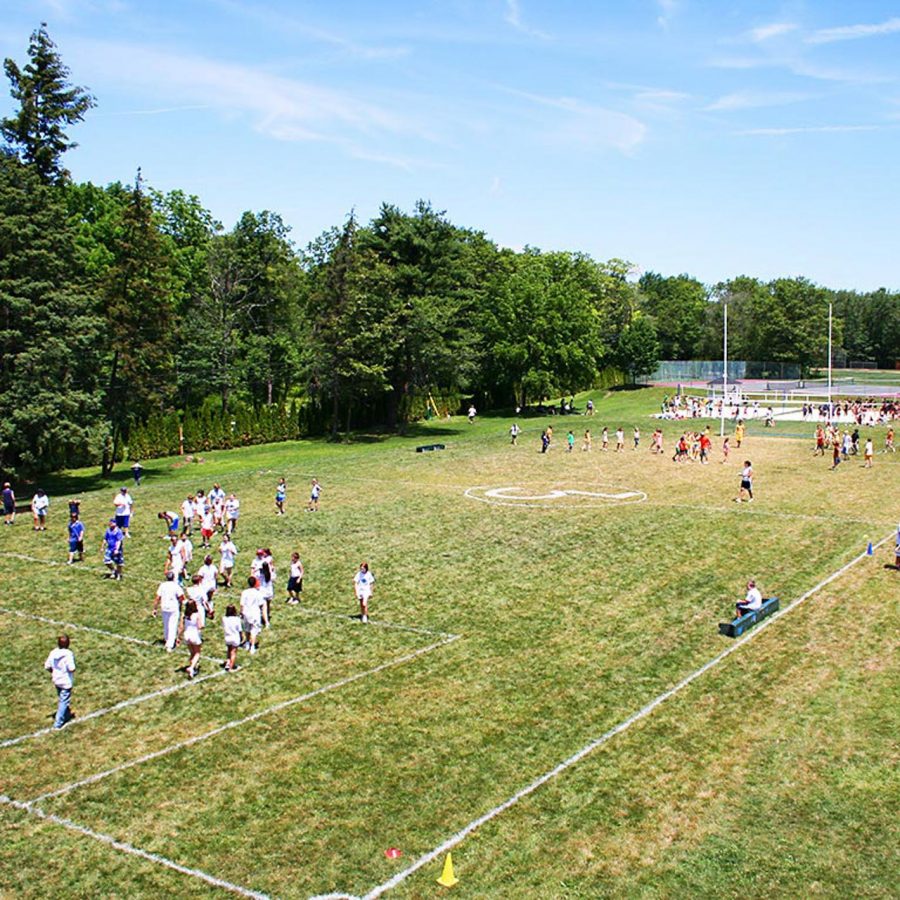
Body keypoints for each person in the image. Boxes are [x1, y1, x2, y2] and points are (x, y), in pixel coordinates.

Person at [44, 634, 76, 729]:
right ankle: (58, 723)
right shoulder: (68, 654)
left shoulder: (53, 652)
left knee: (62, 698)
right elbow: (72, 668)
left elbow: (47, 666)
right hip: (65, 681)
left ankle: (66, 715)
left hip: (56, 679)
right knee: (64, 701)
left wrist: (54, 672)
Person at [153, 572, 185, 652]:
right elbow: (181, 597)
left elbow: (157, 597)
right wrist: (181, 604)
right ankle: (170, 645)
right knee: (173, 625)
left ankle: (167, 639)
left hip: (164, 607)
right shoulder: (176, 586)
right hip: (173, 607)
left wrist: (155, 608)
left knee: (166, 624)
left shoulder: (162, 585)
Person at [240, 576, 267, 654]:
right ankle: (252, 647)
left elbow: (242, 604)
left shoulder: (245, 592)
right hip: (255, 613)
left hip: (246, 612)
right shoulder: (258, 593)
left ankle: (247, 643)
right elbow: (261, 604)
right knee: (254, 631)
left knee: (247, 629)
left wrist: (241, 612)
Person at [178, 598, 203, 679]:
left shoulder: (184, 616)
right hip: (194, 635)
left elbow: (181, 627)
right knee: (197, 653)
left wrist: (179, 637)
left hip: (186, 635)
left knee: (192, 652)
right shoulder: (196, 615)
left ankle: (192, 668)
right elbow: (200, 626)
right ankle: (191, 667)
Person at [222, 604, 242, 672]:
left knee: (229, 650)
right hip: (235, 637)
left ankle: (228, 663)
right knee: (233, 652)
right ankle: (230, 667)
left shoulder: (224, 619)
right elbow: (239, 630)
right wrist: (241, 636)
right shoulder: (237, 619)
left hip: (227, 637)